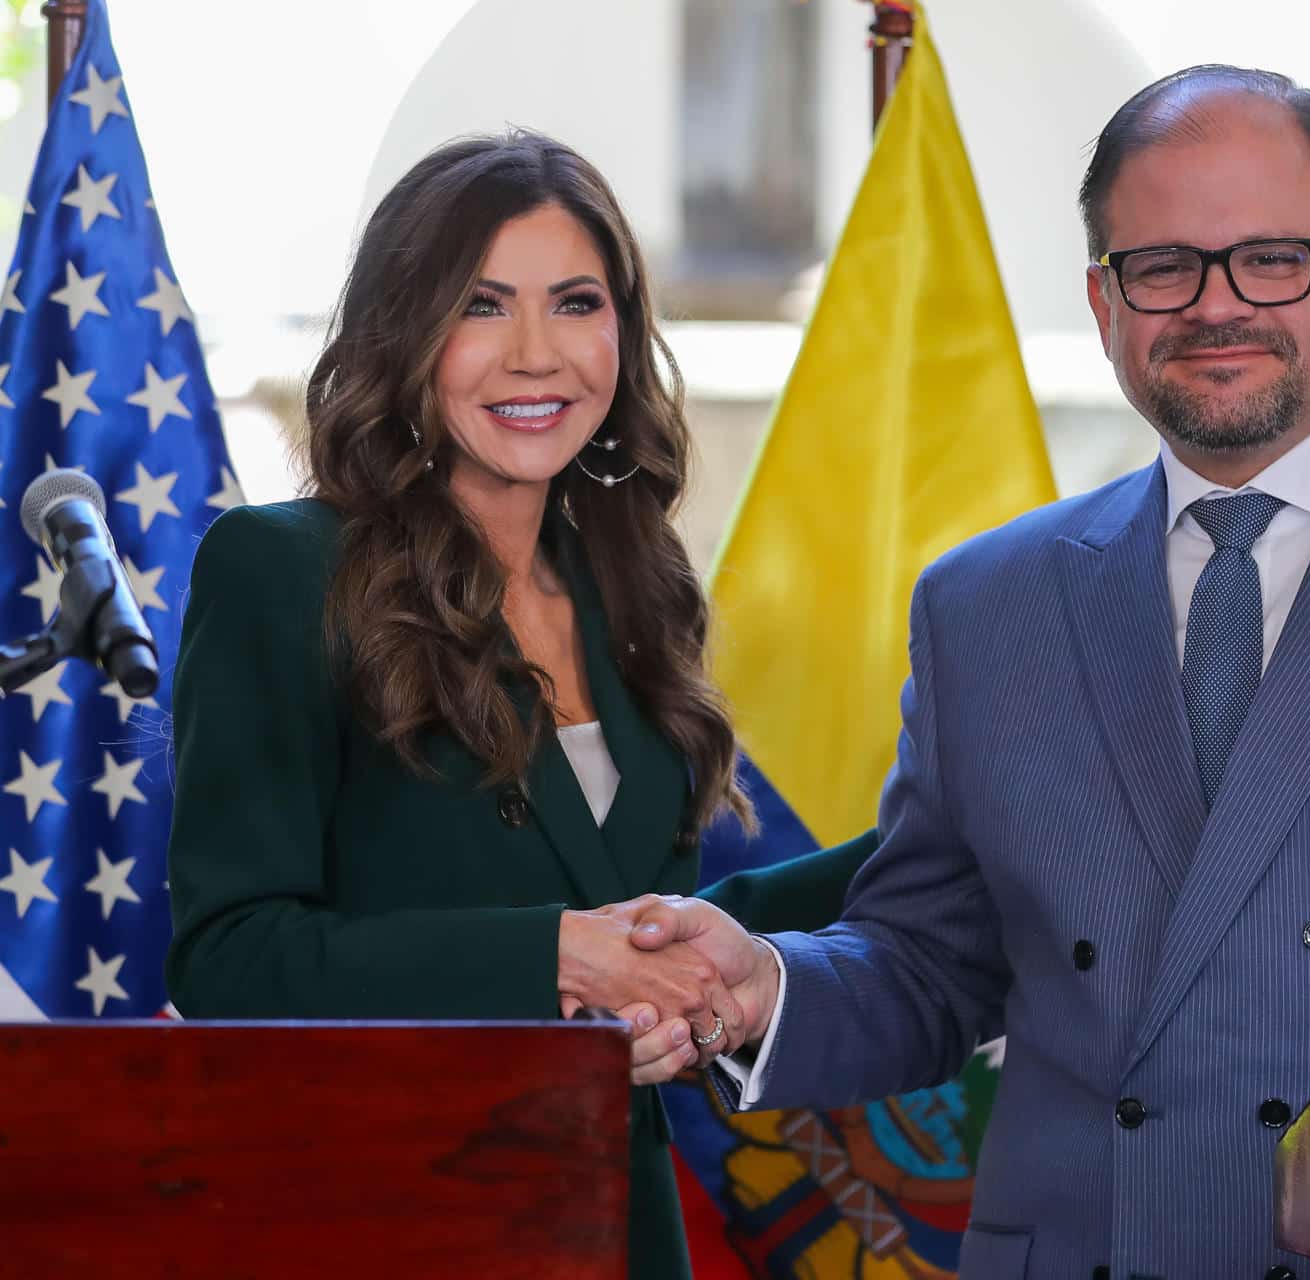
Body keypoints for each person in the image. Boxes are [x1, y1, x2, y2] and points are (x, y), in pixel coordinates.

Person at [618, 67, 1310, 1279]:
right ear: (1105, 303)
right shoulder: (985, 604)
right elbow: (931, 963)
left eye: (1272, 257)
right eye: (1163, 265)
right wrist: (764, 987)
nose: (1217, 305)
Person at [163, 130, 871, 1280]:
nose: (536, 355)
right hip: (387, 1221)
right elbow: (233, 954)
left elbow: (642, 918)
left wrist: (947, 835)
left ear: (623, 334)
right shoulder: (281, 568)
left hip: (613, 1217)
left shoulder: (638, 584)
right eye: (482, 306)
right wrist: (561, 958)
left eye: (576, 302)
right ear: (406, 333)